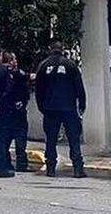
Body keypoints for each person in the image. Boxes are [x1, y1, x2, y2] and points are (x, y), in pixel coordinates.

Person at [35, 40, 87, 178]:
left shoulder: (43, 66)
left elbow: (39, 89)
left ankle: (51, 168)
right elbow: (79, 87)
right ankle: (77, 168)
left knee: (51, 139)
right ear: (62, 49)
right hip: (68, 107)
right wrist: (82, 105)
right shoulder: (70, 65)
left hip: (50, 108)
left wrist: (41, 106)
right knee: (73, 138)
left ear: (49, 49)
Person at [8, 55, 31, 172]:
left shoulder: (2, 73)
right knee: (20, 136)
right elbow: (28, 77)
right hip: (17, 111)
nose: (15, 62)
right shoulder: (17, 74)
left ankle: (6, 162)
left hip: (6, 111)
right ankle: (21, 163)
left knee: (5, 138)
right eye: (12, 60)